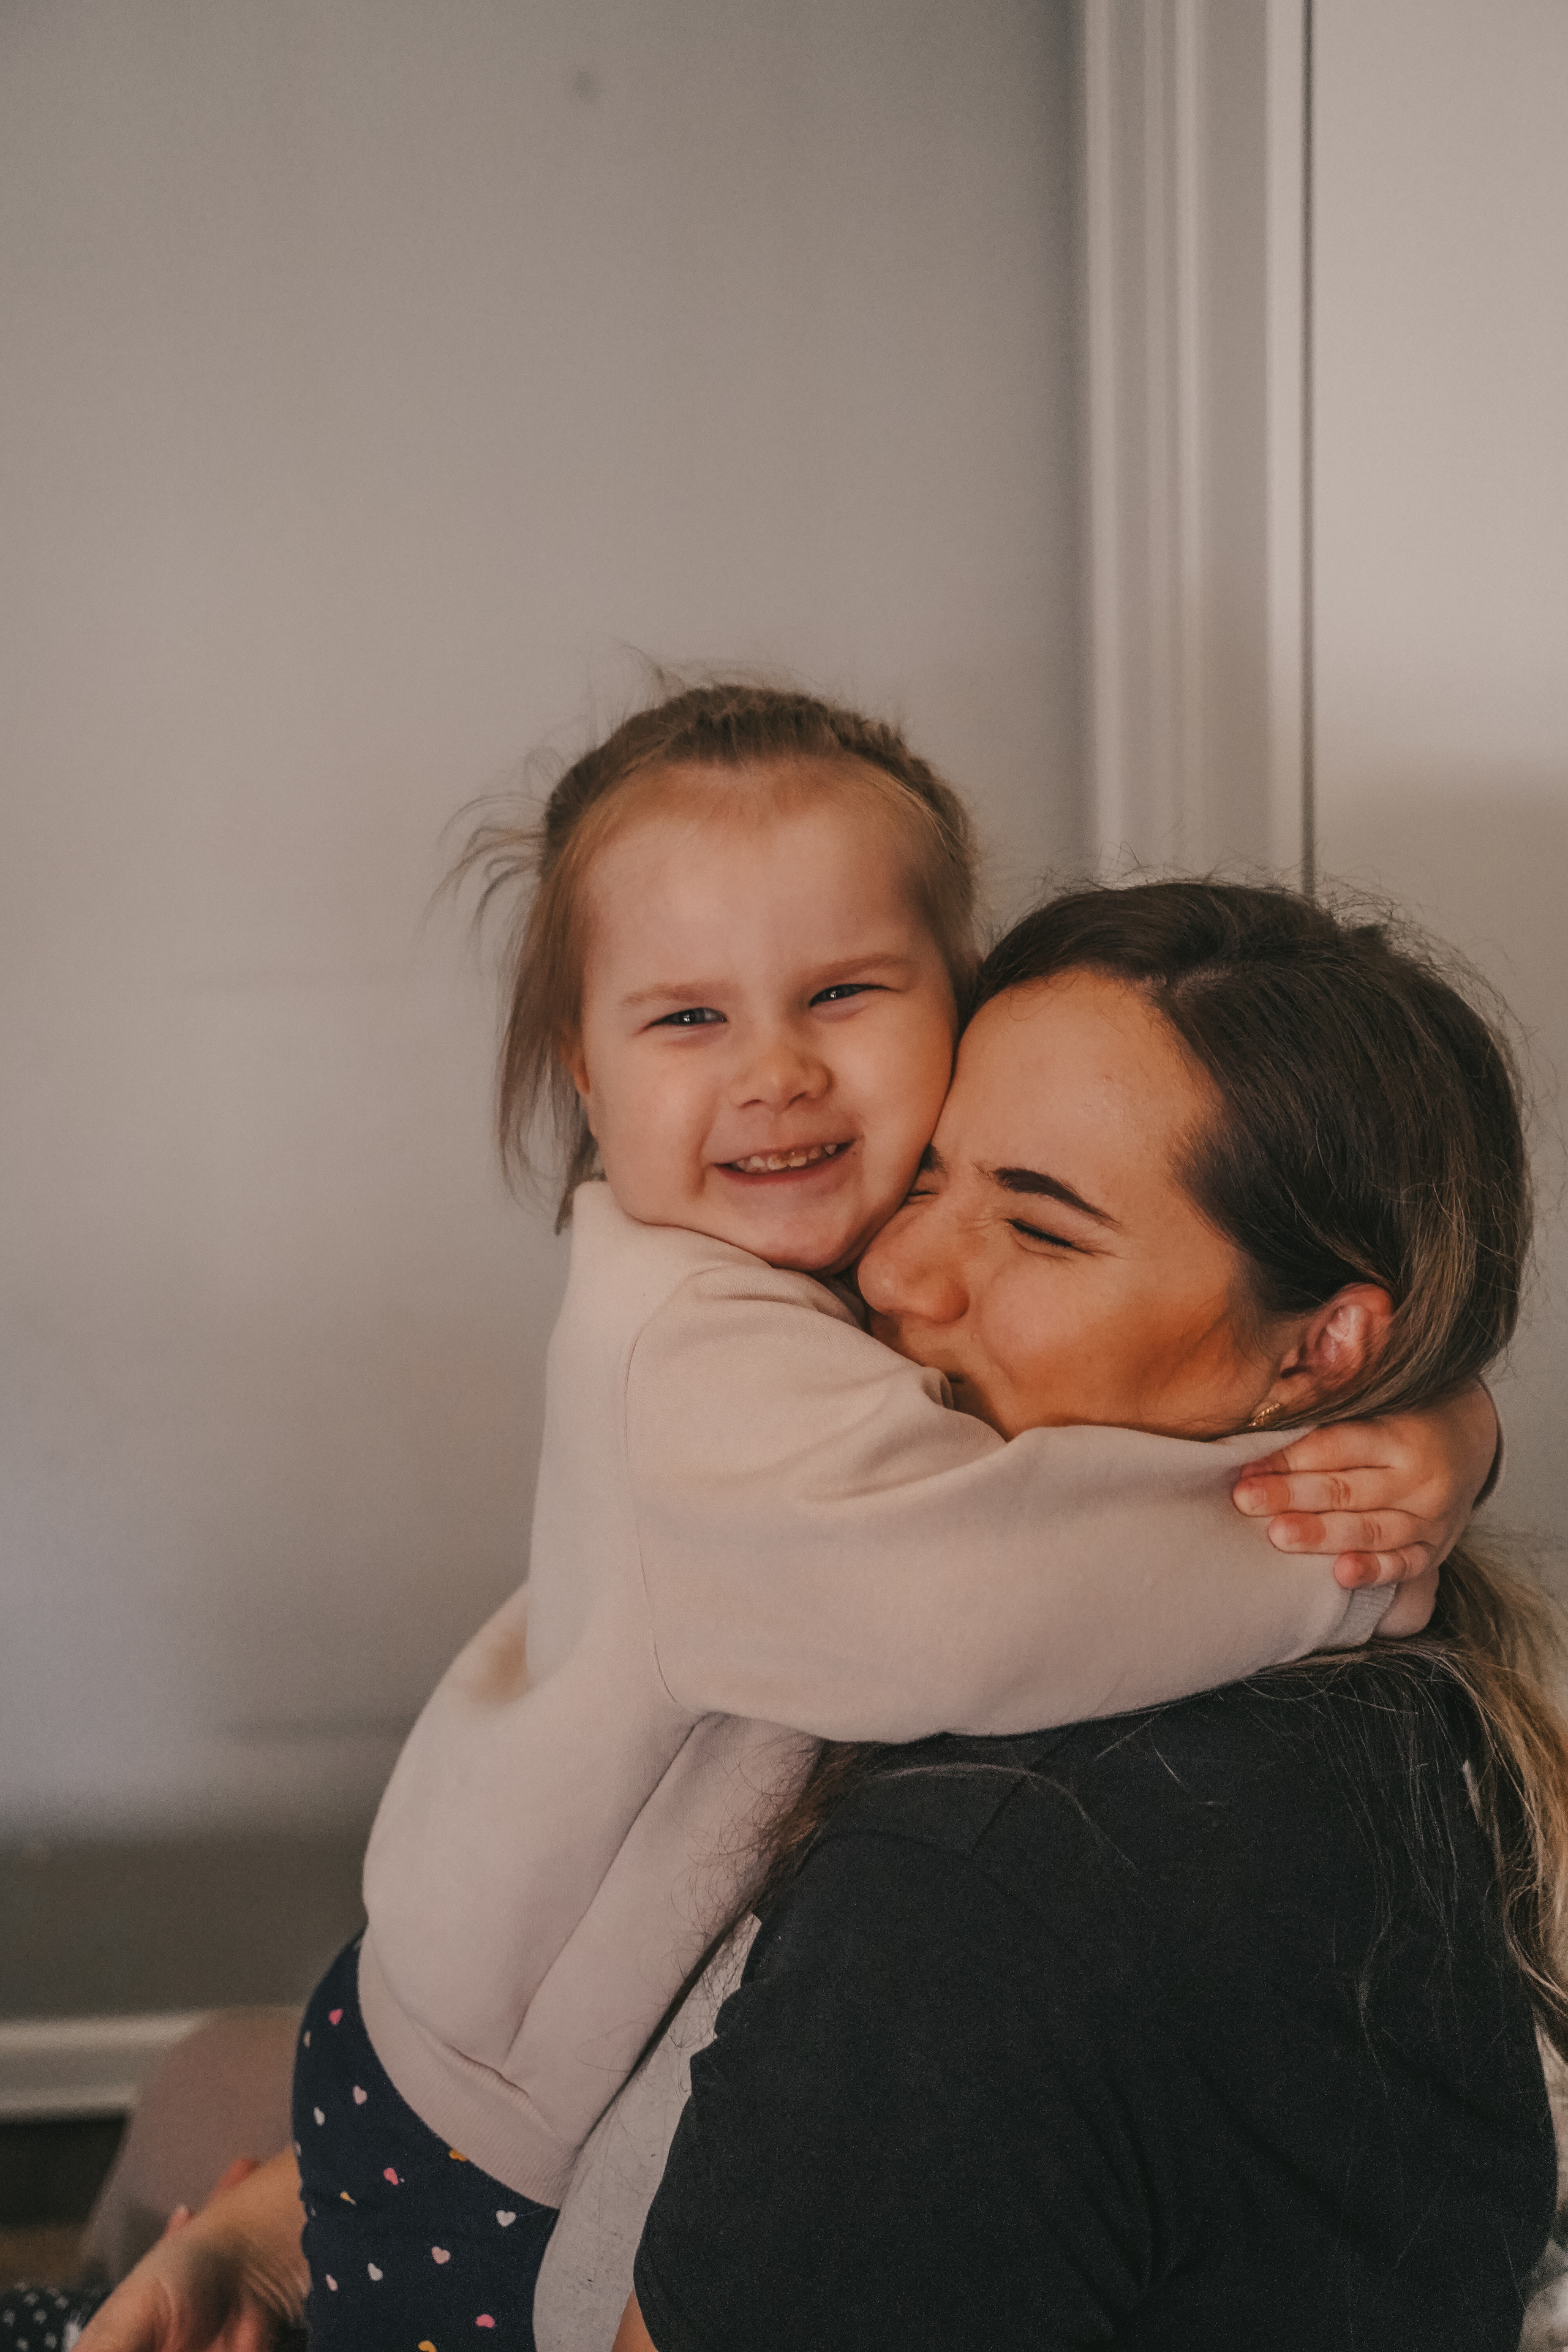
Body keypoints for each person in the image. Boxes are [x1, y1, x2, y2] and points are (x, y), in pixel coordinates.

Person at [67, 699, 1490, 2352]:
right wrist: (1343, 1547)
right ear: (584, 1077)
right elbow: (975, 1593)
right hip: (476, 2135)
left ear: (952, 1000)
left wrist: (1434, 1423)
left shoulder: (818, 1293)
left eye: (846, 993)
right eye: (686, 1017)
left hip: (467, 2069)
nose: (778, 1070)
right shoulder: (697, 1354)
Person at [606, 882, 1565, 2352]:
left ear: (1324, 1346)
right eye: (922, 1177)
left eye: (1042, 1235)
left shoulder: (978, 1890)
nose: (894, 1274)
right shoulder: (1417, 1680)